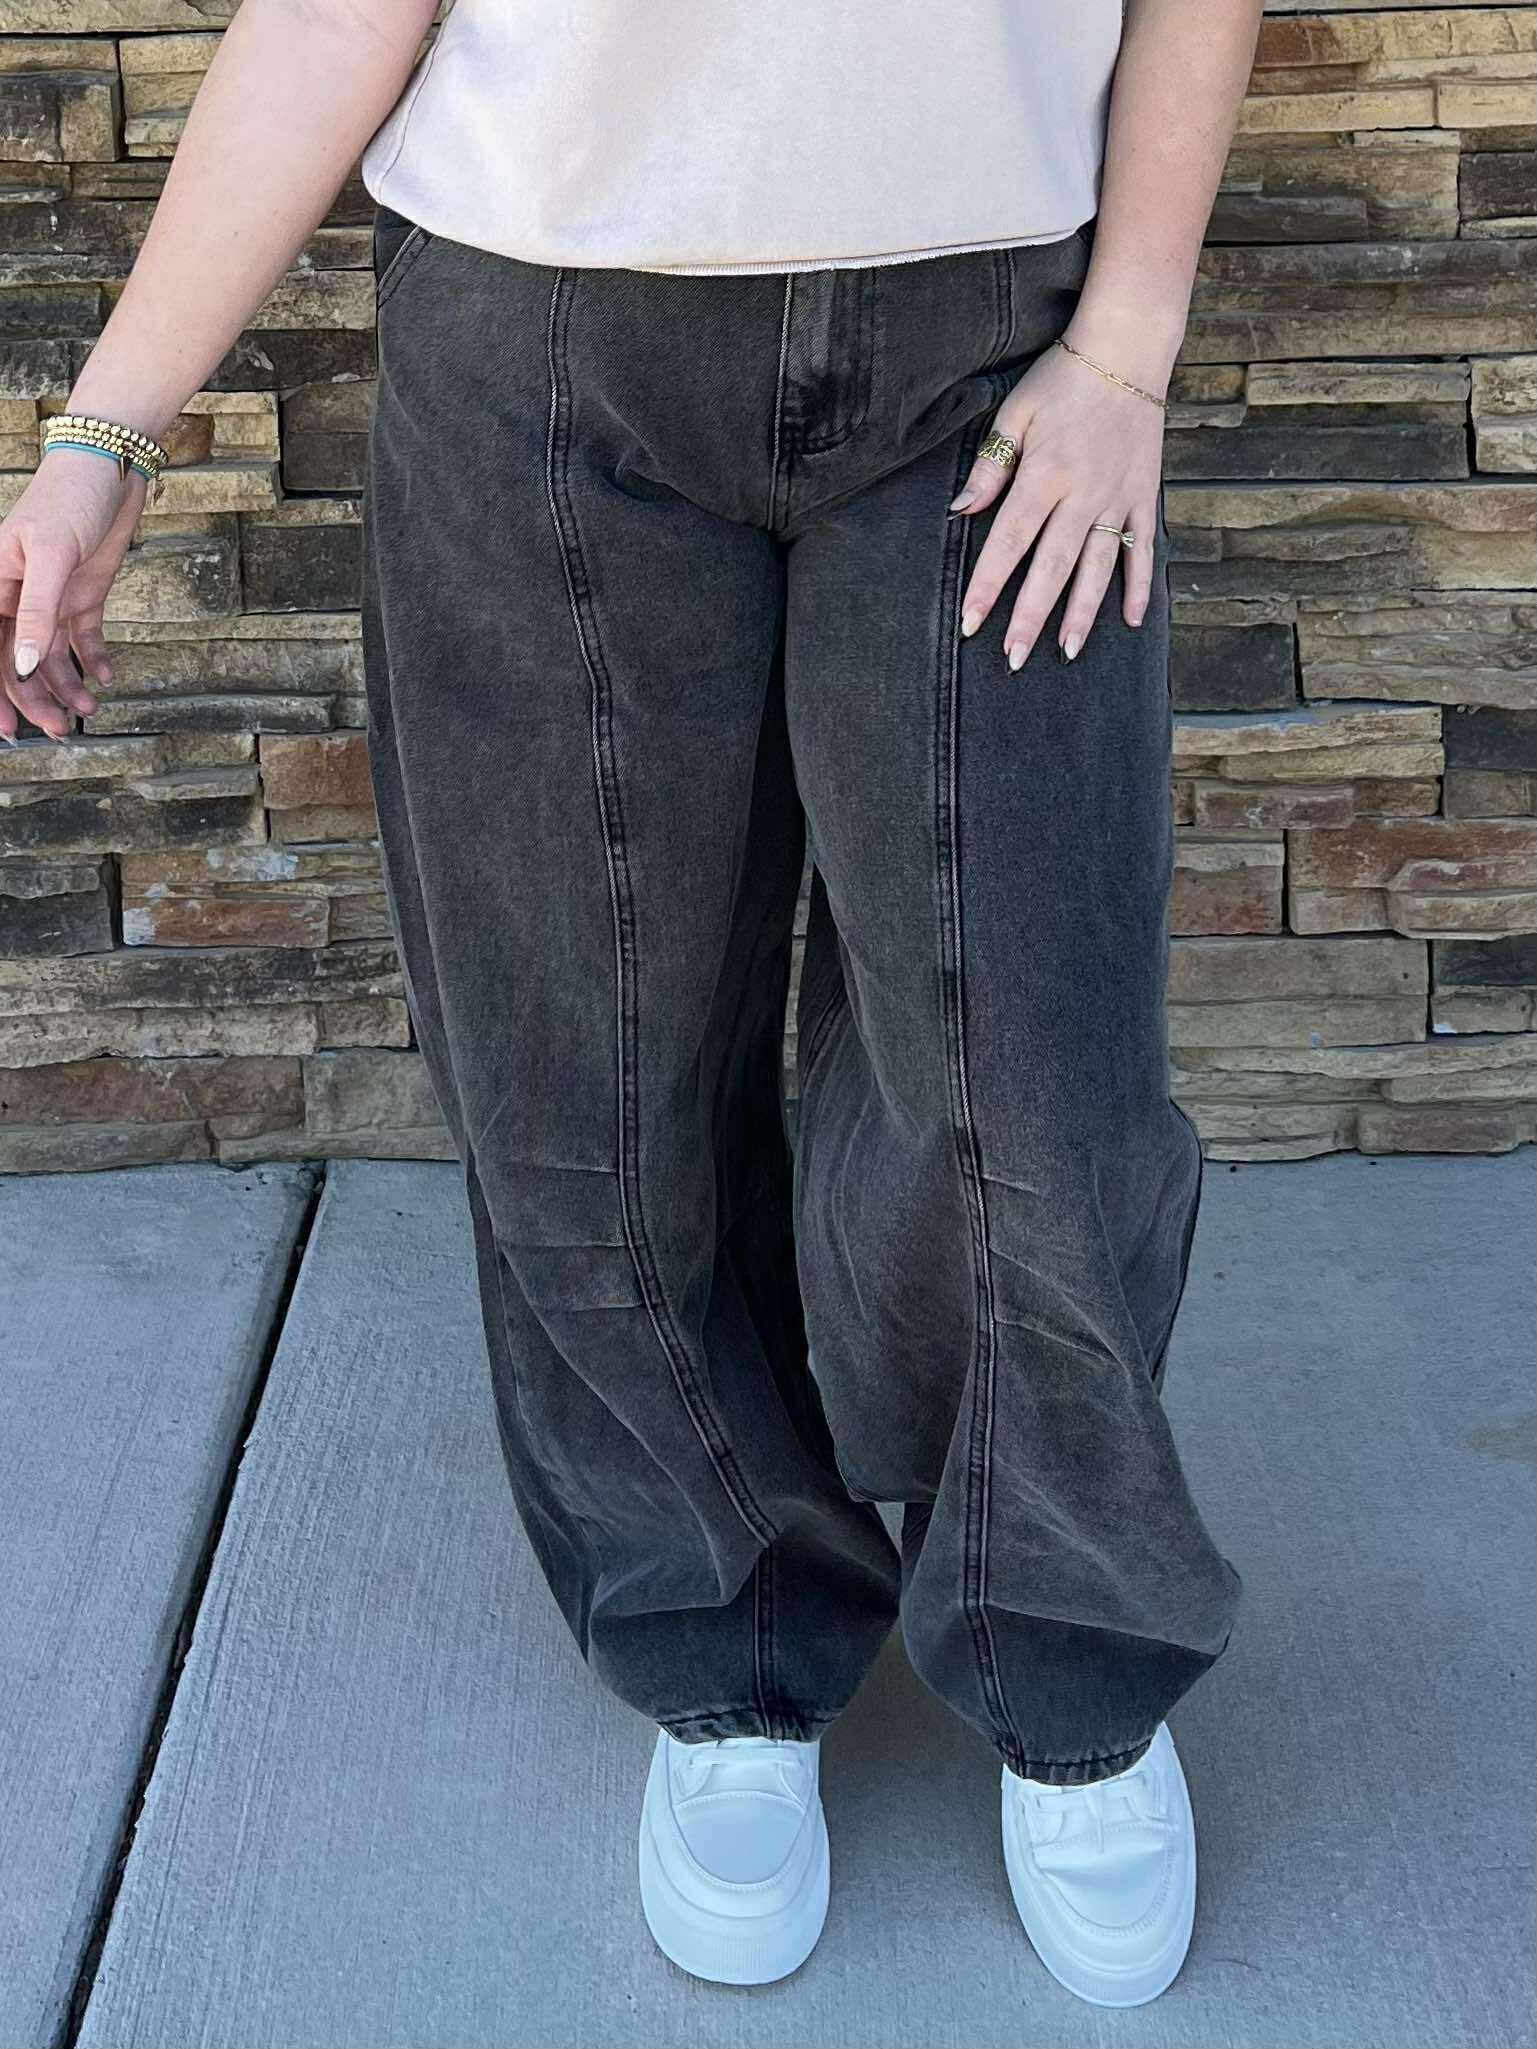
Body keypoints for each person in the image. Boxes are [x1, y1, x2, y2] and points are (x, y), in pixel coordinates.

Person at [1, 0, 1263, 2009]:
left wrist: (1127, 344)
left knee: (1029, 1072)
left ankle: (1070, 1653)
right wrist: (105, 435)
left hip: (989, 337)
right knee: (582, 1058)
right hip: (542, 343)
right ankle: (723, 1623)